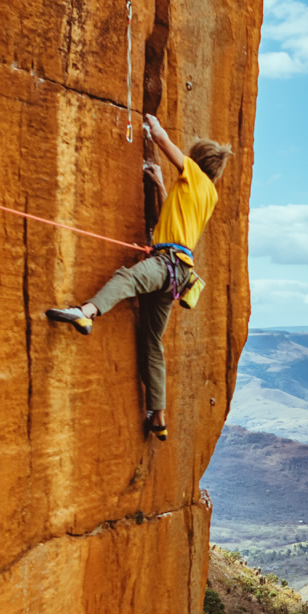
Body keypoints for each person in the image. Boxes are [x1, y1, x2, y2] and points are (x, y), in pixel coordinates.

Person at [46, 113, 231, 440]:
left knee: (126, 278)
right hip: (177, 273)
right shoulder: (208, 195)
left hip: (165, 264)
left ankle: (87, 313)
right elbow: (172, 220)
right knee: (152, 342)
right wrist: (160, 184)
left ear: (197, 161)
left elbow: (165, 144)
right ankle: (158, 416)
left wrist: (154, 126)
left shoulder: (193, 174)